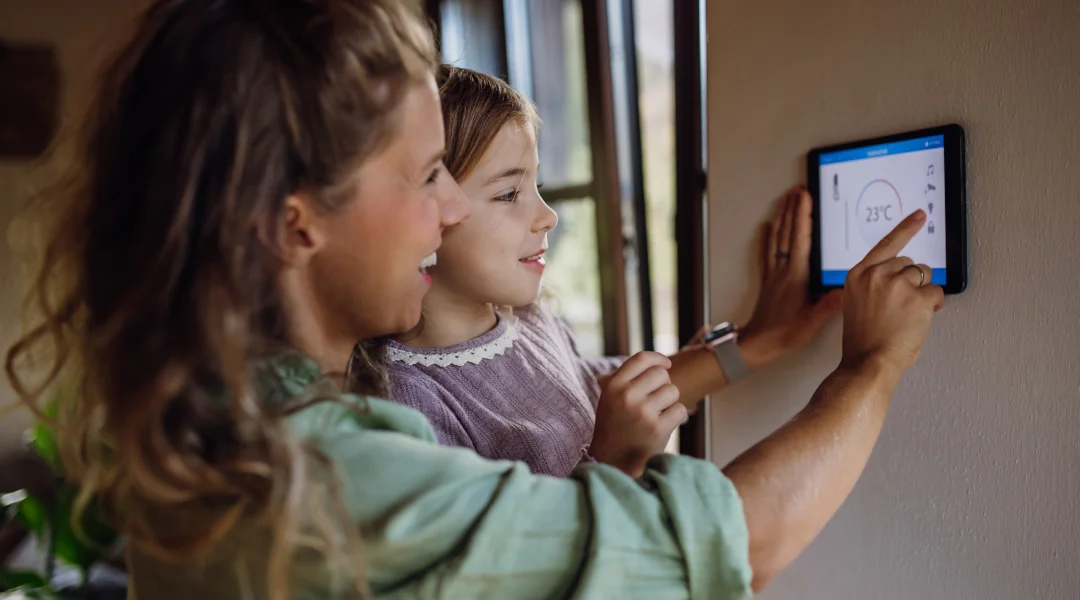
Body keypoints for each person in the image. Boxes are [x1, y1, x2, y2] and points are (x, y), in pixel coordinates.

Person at [4, 1, 944, 598]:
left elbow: (607, 382)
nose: (449, 209)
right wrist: (872, 365)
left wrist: (761, 344)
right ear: (296, 223)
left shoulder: (227, 416)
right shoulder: (335, 474)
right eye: (426, 177)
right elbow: (715, 548)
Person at [380, 65, 843, 478]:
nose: (548, 216)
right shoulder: (409, 404)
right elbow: (522, 567)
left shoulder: (529, 320)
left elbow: (601, 396)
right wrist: (613, 462)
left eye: (535, 186)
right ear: (426, 212)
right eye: (508, 193)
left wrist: (758, 344)